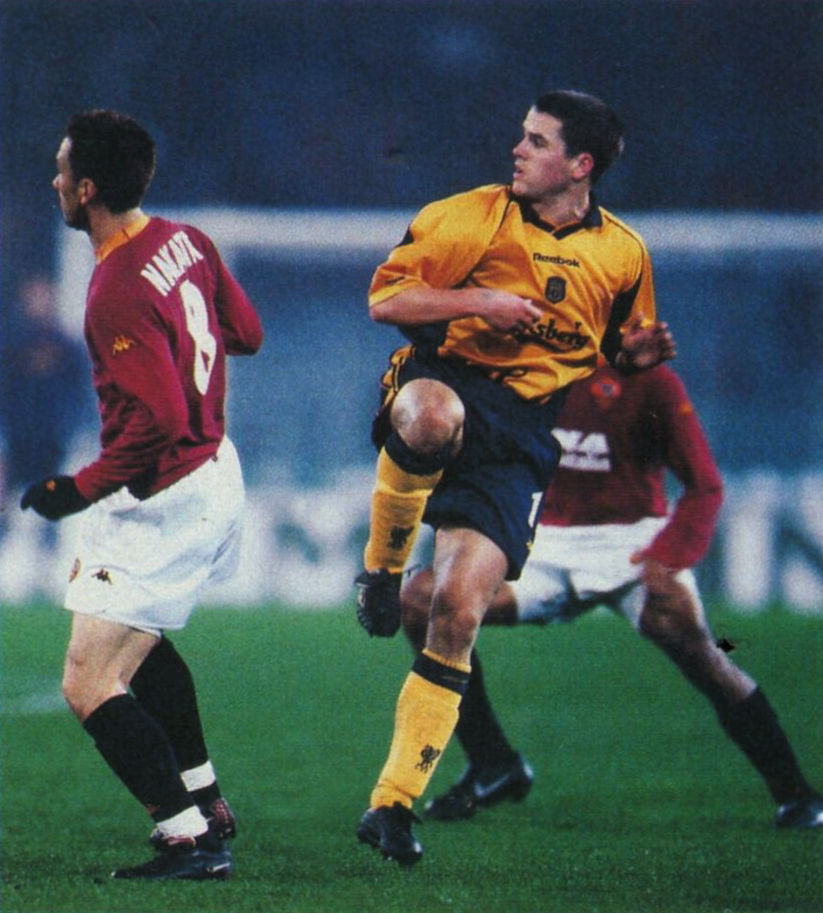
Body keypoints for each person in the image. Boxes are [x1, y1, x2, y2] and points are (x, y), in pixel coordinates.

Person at [353, 89, 676, 866]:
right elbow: (385, 299)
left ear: (580, 164)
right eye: (521, 136)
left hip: (524, 431)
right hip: (444, 379)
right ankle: (381, 571)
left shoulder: (623, 253)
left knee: (458, 610)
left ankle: (391, 805)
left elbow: (607, 341)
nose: (517, 149)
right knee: (428, 418)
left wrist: (631, 358)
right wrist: (480, 301)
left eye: (536, 141)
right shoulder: (468, 217)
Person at [401, 364, 823, 831]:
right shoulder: (523, 363)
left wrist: (669, 556)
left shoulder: (649, 380)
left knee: (705, 656)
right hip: (543, 543)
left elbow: (705, 484)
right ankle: (493, 763)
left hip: (631, 546)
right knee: (421, 601)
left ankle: (796, 794)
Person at [20, 110, 264, 880]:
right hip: (215, 469)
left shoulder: (114, 289)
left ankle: (187, 836)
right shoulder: (188, 240)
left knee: (88, 680)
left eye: (63, 170)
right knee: (146, 639)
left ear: (87, 189)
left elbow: (158, 419)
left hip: (164, 495)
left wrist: (77, 488)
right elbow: (246, 333)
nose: (55, 180)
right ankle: (205, 798)